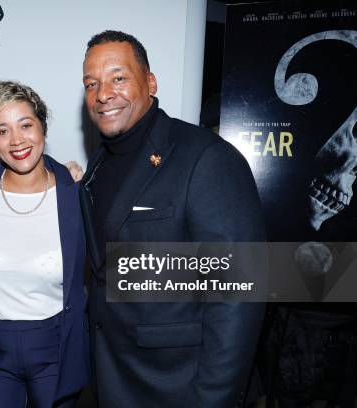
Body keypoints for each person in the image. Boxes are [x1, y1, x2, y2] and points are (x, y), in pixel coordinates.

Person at [80, 30, 266, 407]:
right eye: (91, 84)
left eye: (118, 78)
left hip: (177, 385)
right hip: (113, 376)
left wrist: (213, 398)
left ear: (150, 82)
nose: (103, 94)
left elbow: (238, 296)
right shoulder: (98, 165)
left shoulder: (206, 158)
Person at [0, 81, 89, 408]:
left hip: (55, 348)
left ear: (43, 126)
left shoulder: (77, 194)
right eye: (3, 131)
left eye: (26, 125)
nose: (17, 140)